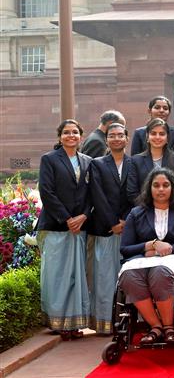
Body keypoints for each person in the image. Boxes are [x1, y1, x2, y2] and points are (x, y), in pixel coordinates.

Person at [118, 167, 174, 346]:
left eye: (165, 185)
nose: (161, 189)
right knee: (128, 275)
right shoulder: (136, 213)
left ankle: (169, 326)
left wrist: (169, 248)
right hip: (143, 261)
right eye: (156, 185)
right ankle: (156, 326)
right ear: (149, 188)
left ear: (173, 188)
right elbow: (125, 249)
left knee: (159, 271)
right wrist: (150, 245)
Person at [38, 119, 92, 340]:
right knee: (57, 275)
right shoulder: (50, 160)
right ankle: (58, 321)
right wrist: (67, 218)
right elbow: (46, 191)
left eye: (75, 132)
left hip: (79, 227)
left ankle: (73, 322)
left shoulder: (88, 161)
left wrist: (83, 216)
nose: (71, 136)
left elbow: (92, 193)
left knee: (75, 276)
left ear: (81, 136)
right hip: (56, 226)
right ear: (60, 137)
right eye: (67, 132)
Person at [87, 122, 134, 334]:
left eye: (120, 135)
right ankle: (106, 322)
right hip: (106, 229)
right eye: (112, 135)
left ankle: (131, 321)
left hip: (130, 229)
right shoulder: (97, 164)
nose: (116, 138)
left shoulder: (136, 163)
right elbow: (97, 195)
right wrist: (113, 223)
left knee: (130, 276)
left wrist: (126, 220)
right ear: (106, 140)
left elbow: (139, 195)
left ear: (127, 138)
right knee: (105, 276)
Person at [127, 118, 174, 202]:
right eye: (153, 133)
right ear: (147, 137)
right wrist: (149, 207)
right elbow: (132, 192)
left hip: (172, 209)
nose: (157, 137)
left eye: (162, 134)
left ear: (167, 138)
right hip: (144, 210)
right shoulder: (135, 161)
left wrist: (165, 206)